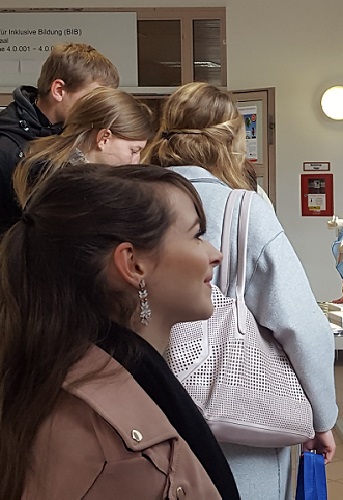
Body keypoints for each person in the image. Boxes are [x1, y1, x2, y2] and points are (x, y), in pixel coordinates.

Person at [0, 163, 239, 499]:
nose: (216, 255)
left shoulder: (88, 371)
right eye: (197, 236)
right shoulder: (115, 450)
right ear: (133, 264)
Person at [147, 81, 338, 499]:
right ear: (232, 140)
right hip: (235, 415)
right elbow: (300, 324)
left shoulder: (130, 198)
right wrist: (322, 417)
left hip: (144, 404)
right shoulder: (242, 208)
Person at [0, 42, 119, 233]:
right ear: (58, 90)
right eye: (93, 98)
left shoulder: (76, 133)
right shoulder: (7, 148)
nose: (99, 107)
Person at [13, 86, 153, 208]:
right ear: (103, 138)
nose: (137, 162)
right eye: (134, 151)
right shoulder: (73, 187)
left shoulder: (44, 164)